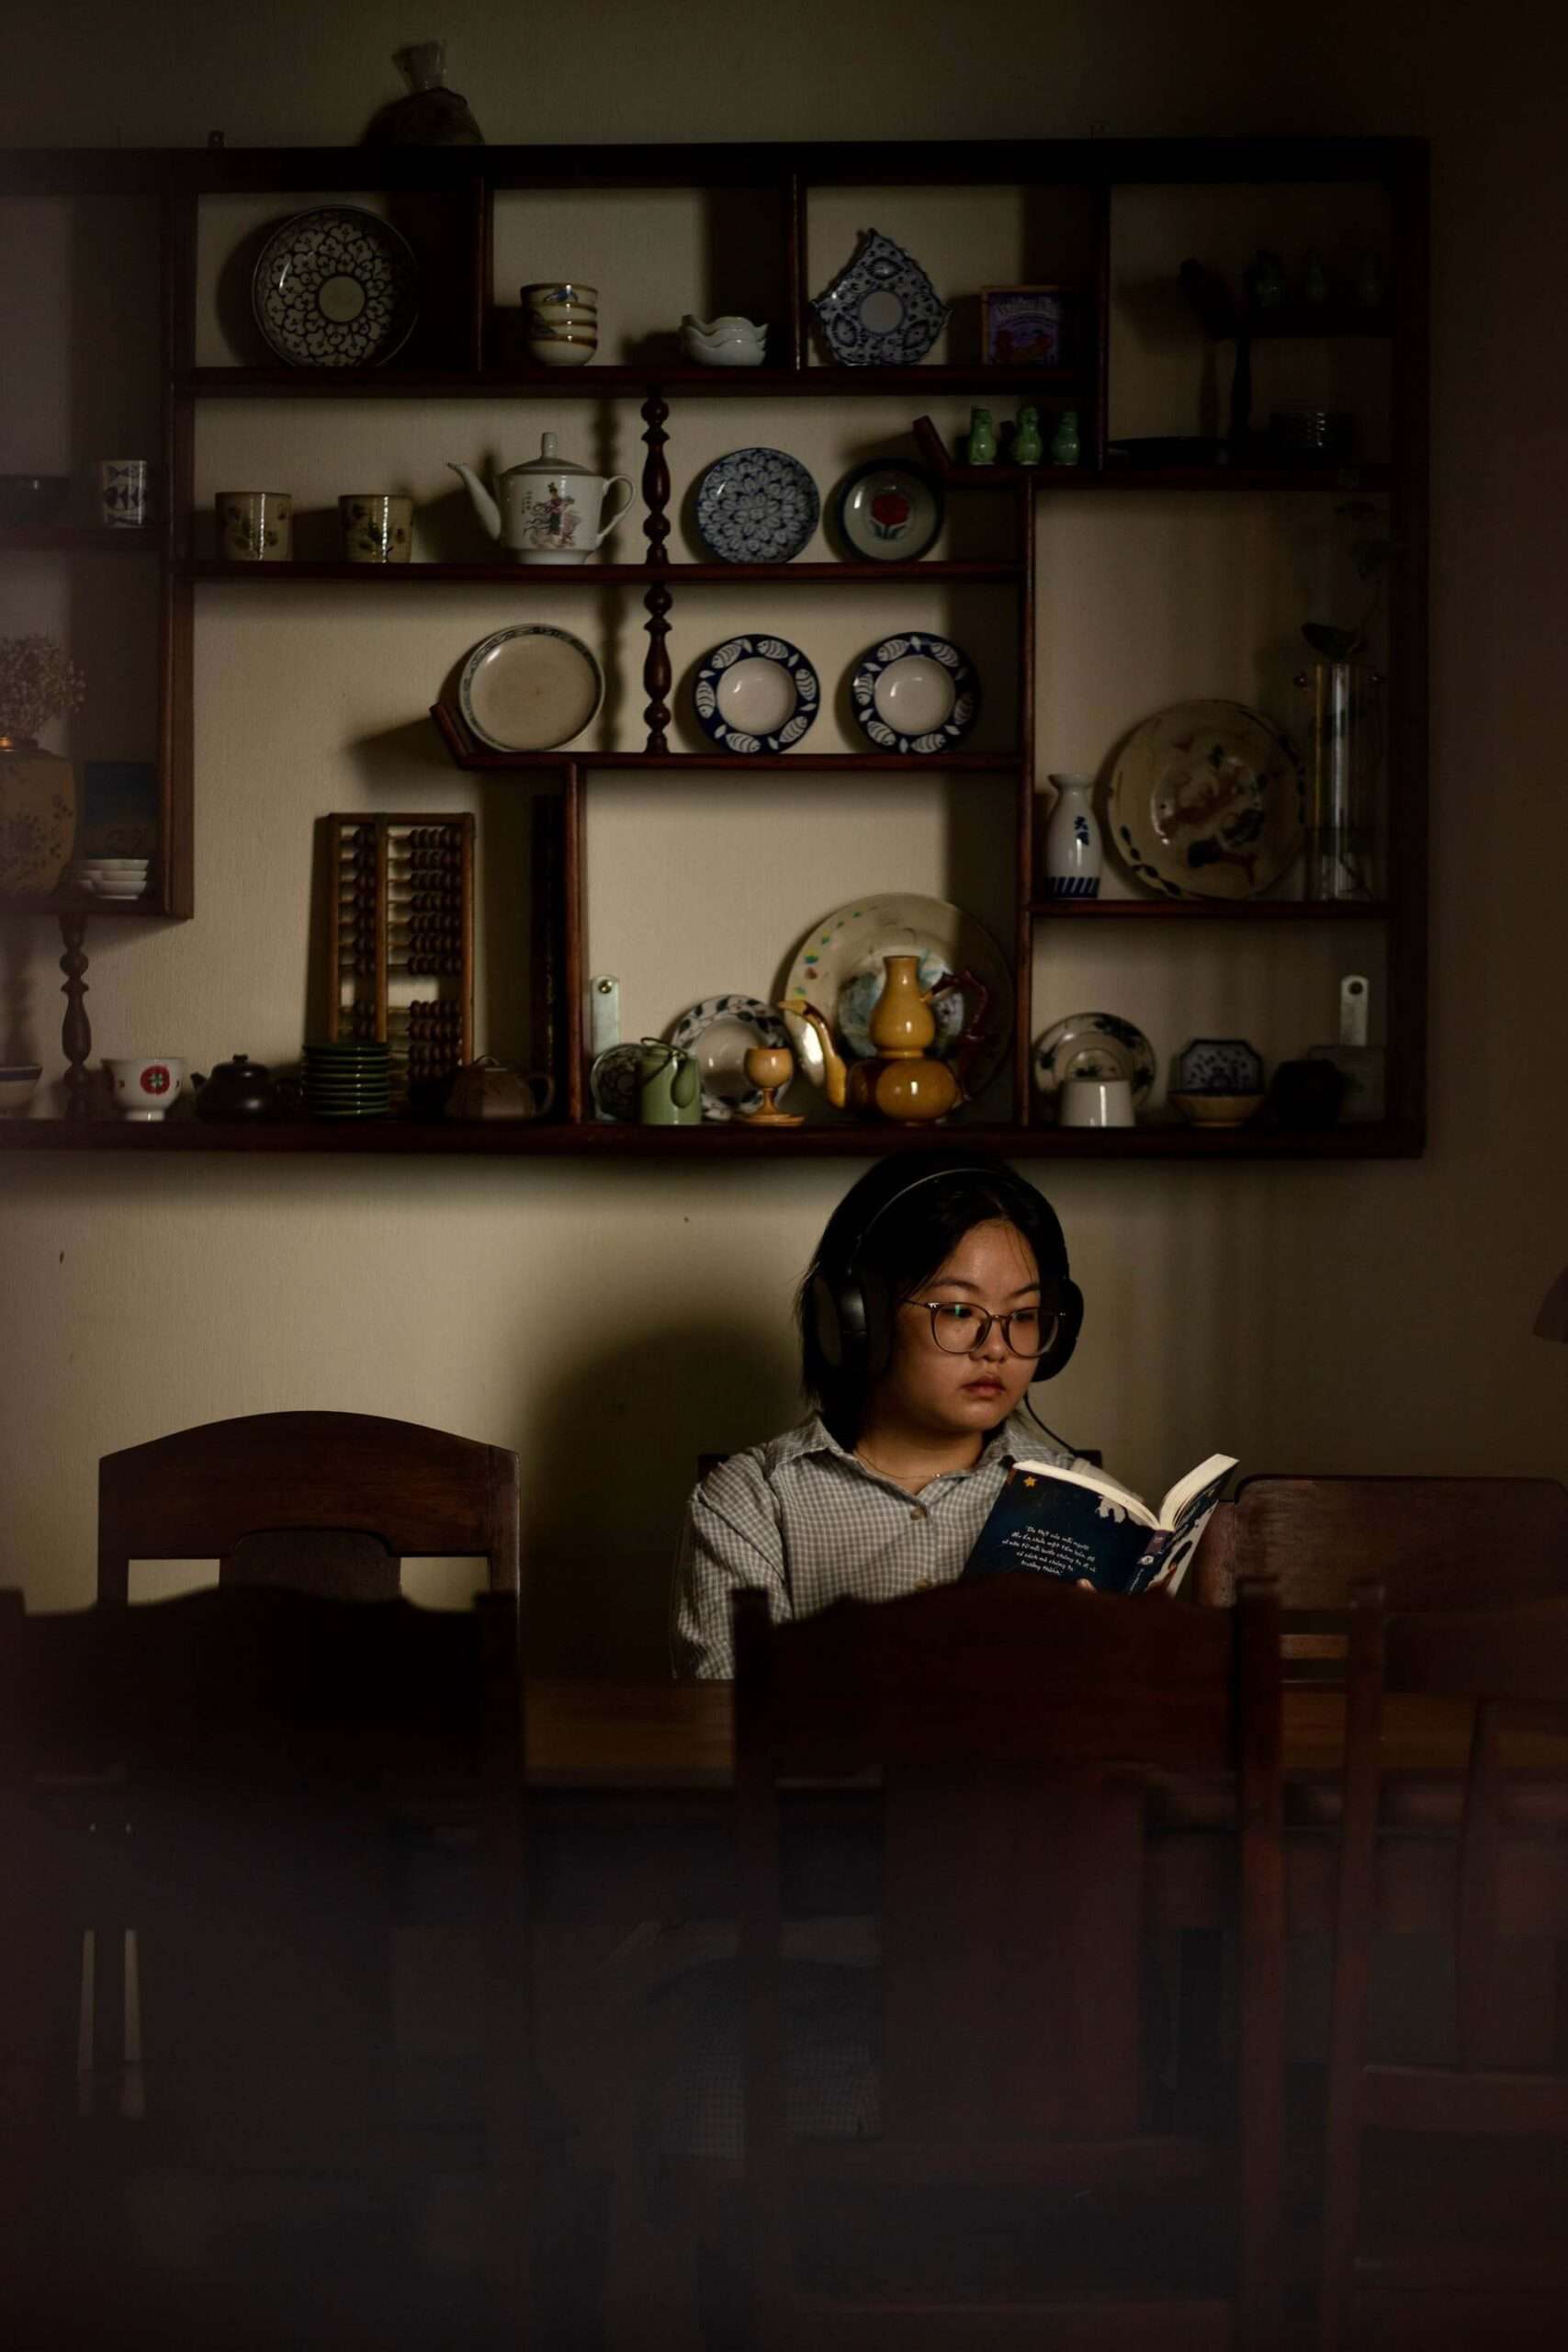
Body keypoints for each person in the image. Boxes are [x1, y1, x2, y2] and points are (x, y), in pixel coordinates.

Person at [671, 1146, 1088, 1678]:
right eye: (959, 1310)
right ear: (857, 1319)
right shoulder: (753, 1501)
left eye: (1024, 1315)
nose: (997, 1348)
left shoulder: (1081, 1499)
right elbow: (732, 1724)